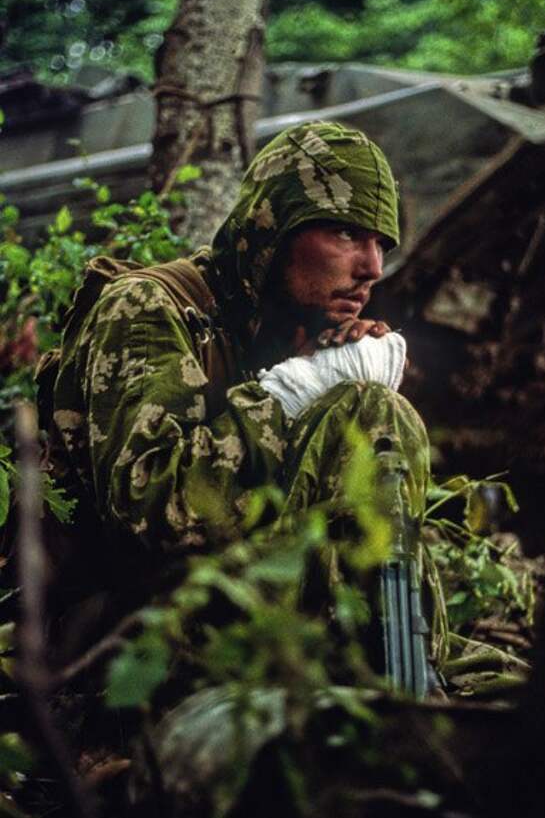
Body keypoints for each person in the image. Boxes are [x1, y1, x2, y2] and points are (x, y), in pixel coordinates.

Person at [50, 121, 429, 583]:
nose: (372, 268)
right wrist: (300, 389)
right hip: (137, 629)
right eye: (346, 234)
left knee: (494, 660)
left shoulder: (283, 327)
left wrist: (328, 369)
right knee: (368, 407)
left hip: (259, 609)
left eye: (382, 244)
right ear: (274, 230)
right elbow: (148, 515)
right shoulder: (150, 307)